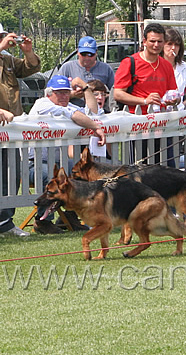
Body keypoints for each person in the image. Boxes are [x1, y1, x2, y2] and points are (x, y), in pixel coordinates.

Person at [30, 75, 106, 234]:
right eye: (59, 93)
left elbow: (93, 112)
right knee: (52, 179)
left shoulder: (67, 104)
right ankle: (42, 221)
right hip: (33, 163)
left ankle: (70, 215)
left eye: (66, 92)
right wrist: (96, 128)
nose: (63, 96)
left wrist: (85, 87)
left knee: (80, 174)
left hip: (58, 162)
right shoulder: (43, 104)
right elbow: (75, 115)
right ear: (49, 93)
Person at [0, 24, 40, 237]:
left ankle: (6, 222)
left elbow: (30, 68)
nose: (4, 39)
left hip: (11, 129)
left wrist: (28, 52)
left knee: (11, 174)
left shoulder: (6, 59)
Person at [113, 23, 178, 114]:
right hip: (135, 118)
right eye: (152, 41)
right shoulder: (129, 62)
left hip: (160, 119)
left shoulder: (167, 65)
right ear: (144, 41)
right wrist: (144, 101)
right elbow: (118, 94)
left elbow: (172, 92)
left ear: (164, 42)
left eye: (159, 42)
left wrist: (174, 100)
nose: (156, 45)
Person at [58, 36, 115, 108]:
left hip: (98, 113)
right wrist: (73, 94)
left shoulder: (106, 69)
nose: (87, 58)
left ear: (96, 53)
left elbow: (114, 94)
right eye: (83, 54)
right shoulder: (67, 68)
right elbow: (54, 95)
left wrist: (101, 95)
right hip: (72, 112)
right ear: (78, 52)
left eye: (91, 55)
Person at [163, 28, 186, 109]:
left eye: (176, 44)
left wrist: (182, 106)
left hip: (177, 115)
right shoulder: (154, 65)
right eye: (169, 44)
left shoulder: (184, 69)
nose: (173, 48)